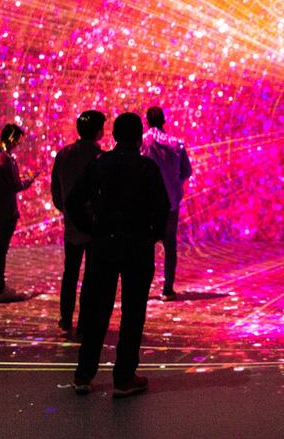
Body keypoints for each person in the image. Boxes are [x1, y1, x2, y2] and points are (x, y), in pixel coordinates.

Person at [67, 112, 170, 397]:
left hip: (104, 245)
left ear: (114, 136)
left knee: (97, 310)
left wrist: (92, 228)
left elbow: (73, 201)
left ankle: (83, 375)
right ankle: (124, 378)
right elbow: (162, 208)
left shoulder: (100, 164)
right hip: (137, 246)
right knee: (133, 312)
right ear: (139, 138)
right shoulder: (147, 167)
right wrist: (152, 235)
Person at [51, 110, 106, 336]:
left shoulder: (63, 155)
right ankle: (85, 322)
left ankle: (65, 319)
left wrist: (66, 210)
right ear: (97, 131)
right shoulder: (101, 157)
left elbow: (56, 190)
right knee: (92, 276)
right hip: (94, 227)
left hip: (72, 226)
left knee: (70, 273)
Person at [0, 124, 37, 301]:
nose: (18, 145)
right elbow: (15, 185)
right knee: (0, 249)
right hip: (6, 211)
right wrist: (30, 179)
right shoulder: (6, 159)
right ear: (12, 139)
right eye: (18, 141)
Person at [141, 106, 192, 301]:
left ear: (146, 120)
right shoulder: (176, 143)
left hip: (147, 203)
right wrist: (174, 181)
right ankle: (168, 288)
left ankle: (143, 288)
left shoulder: (142, 142)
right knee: (170, 245)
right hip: (170, 200)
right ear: (164, 120)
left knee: (146, 245)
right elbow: (186, 171)